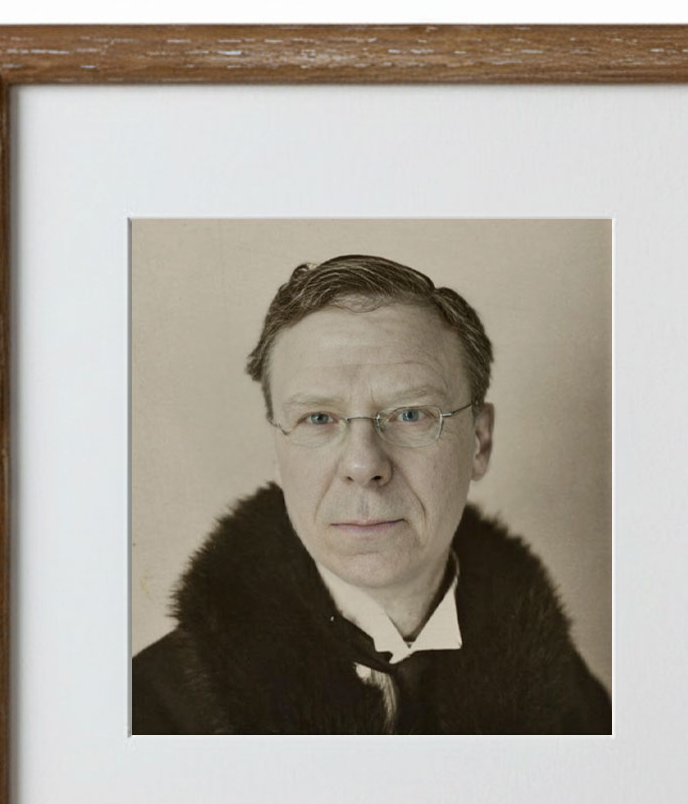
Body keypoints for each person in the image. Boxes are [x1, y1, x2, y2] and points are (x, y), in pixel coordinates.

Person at [132, 254, 610, 734]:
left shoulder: (574, 704)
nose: (363, 465)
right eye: (318, 418)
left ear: (479, 443)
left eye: (410, 414)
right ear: (278, 451)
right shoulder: (150, 708)